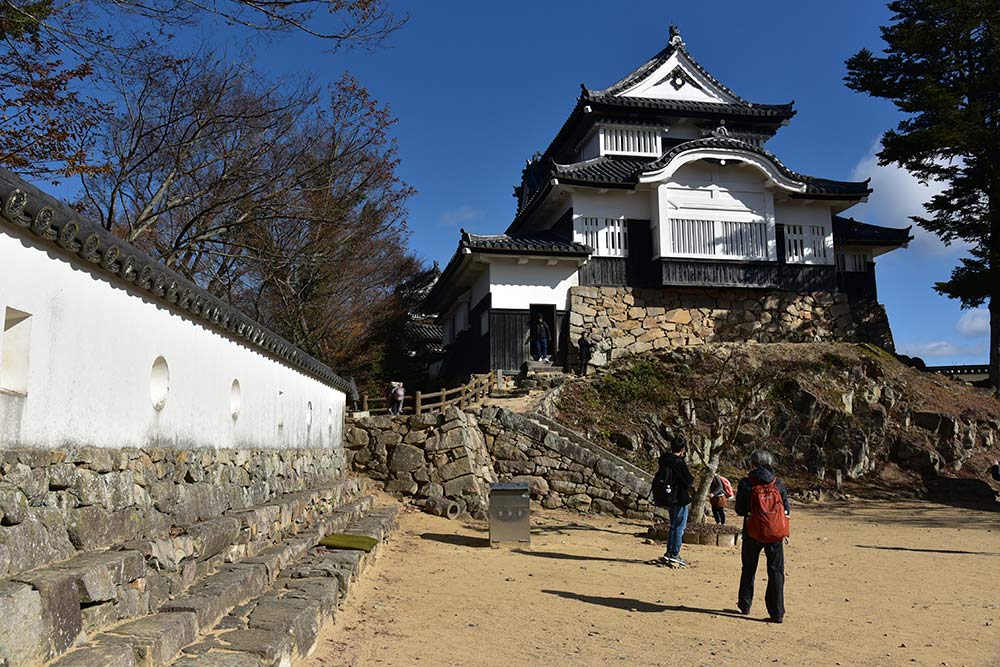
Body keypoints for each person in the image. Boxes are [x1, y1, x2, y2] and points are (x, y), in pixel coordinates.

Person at [735, 448, 790, 623]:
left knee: (749, 568)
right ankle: (777, 612)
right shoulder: (778, 483)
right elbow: (786, 509)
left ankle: (745, 605)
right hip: (775, 533)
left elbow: (740, 510)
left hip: (752, 532)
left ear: (752, 464)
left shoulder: (746, 483)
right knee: (776, 571)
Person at [654, 438, 694, 568]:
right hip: (680, 497)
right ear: (682, 450)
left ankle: (669, 552)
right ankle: (675, 553)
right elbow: (688, 480)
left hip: (669, 497)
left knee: (673, 525)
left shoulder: (664, 461)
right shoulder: (678, 463)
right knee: (679, 527)